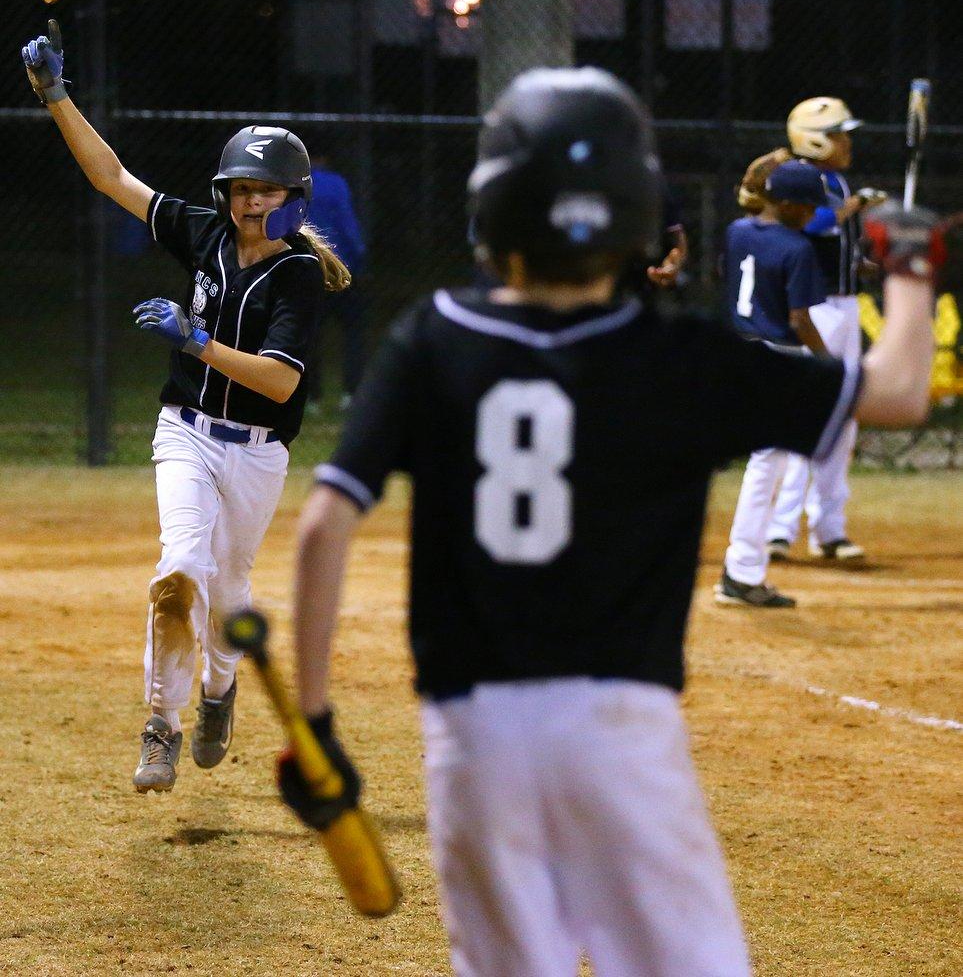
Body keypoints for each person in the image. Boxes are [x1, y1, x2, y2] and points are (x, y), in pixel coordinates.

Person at [279, 68, 941, 976]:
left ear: (495, 206)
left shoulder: (431, 337)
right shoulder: (680, 357)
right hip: (618, 728)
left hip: (470, 738)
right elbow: (901, 392)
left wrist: (312, 722)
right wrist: (906, 265)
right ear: (633, 211)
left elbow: (323, 527)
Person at [22, 21, 351, 793]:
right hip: (186, 435)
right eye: (240, 188)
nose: (249, 201)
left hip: (258, 450)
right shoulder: (205, 234)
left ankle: (217, 693)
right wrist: (56, 96)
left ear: (292, 198)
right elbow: (113, 179)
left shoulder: (297, 275)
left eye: (265, 190)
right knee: (179, 571)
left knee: (231, 593)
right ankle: (160, 725)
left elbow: (278, 383)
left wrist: (197, 341)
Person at [765, 97, 888, 562]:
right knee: (806, 415)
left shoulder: (834, 180)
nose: (847, 142)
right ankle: (780, 529)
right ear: (815, 138)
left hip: (843, 303)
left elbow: (835, 244)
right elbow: (815, 225)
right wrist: (858, 204)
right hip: (814, 309)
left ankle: (829, 529)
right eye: (838, 133)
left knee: (844, 417)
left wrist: (862, 265)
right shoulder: (804, 181)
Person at [716, 160, 830, 608]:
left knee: (763, 466)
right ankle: (741, 572)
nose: (810, 215)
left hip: (739, 351)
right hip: (778, 359)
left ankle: (742, 569)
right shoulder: (796, 248)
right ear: (785, 204)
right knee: (766, 470)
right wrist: (829, 365)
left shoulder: (737, 231)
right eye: (805, 207)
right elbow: (799, 318)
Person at [304, 154, 367, 408]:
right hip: (340, 266)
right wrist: (360, 258)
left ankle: (310, 397)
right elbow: (347, 224)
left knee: (308, 333)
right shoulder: (337, 183)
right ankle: (350, 394)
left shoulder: (299, 184)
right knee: (353, 331)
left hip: (308, 265)